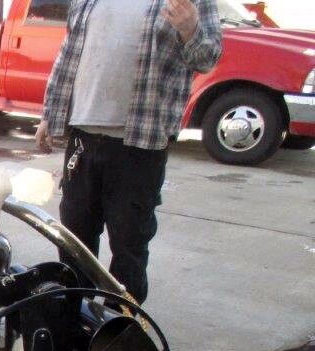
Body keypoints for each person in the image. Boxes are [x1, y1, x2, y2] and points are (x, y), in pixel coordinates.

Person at [35, 0, 222, 303]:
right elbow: (68, 55)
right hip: (83, 138)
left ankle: (120, 325)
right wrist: (49, 115)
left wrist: (190, 30)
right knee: (74, 241)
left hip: (139, 143)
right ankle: (73, 316)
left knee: (128, 246)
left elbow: (208, 59)